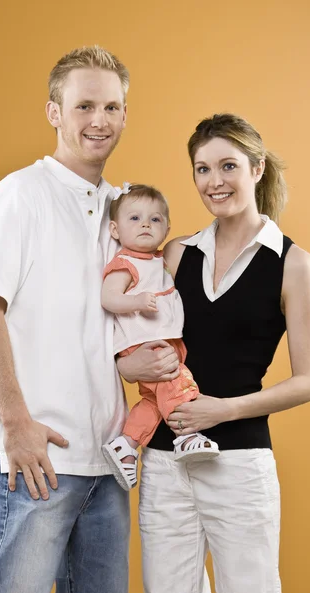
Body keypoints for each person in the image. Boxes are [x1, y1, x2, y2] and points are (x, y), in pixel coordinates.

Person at [117, 113, 310, 593]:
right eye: (202, 169)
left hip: (240, 463)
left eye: (227, 166)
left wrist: (223, 408)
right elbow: (131, 340)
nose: (214, 182)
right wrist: (127, 367)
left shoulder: (292, 263)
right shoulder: (174, 254)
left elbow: (309, 380)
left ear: (256, 168)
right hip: (166, 461)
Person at [0, 45, 141, 593]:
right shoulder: (20, 194)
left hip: (108, 466)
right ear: (54, 112)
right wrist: (16, 424)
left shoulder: (126, 208)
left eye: (111, 107)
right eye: (85, 105)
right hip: (34, 460)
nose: (99, 121)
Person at [101, 183, 219, 491]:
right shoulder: (126, 263)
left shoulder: (160, 260)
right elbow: (109, 298)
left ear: (167, 227)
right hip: (144, 343)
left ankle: (125, 445)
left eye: (155, 220)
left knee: (153, 402)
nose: (145, 225)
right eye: (135, 218)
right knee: (177, 384)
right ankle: (186, 435)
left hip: (165, 340)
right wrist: (136, 302)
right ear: (115, 229)